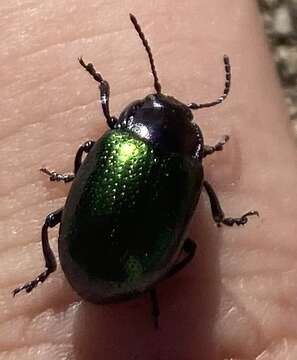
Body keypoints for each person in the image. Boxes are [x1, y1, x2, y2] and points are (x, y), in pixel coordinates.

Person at [1, 1, 296, 359]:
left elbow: (86, 152)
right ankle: (159, 273)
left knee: (53, 218)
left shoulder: (120, 140)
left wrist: (74, 176)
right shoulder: (188, 172)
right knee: (189, 248)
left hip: (103, 265)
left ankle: (52, 269)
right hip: (135, 276)